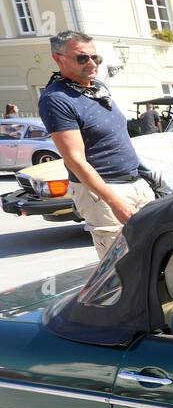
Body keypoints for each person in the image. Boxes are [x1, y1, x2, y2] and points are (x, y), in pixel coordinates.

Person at [38, 31, 154, 259]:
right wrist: (114, 202)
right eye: (82, 58)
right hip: (104, 192)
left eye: (95, 57)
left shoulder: (98, 88)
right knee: (122, 266)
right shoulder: (57, 99)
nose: (91, 63)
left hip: (134, 182)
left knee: (155, 252)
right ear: (58, 58)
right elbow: (75, 160)